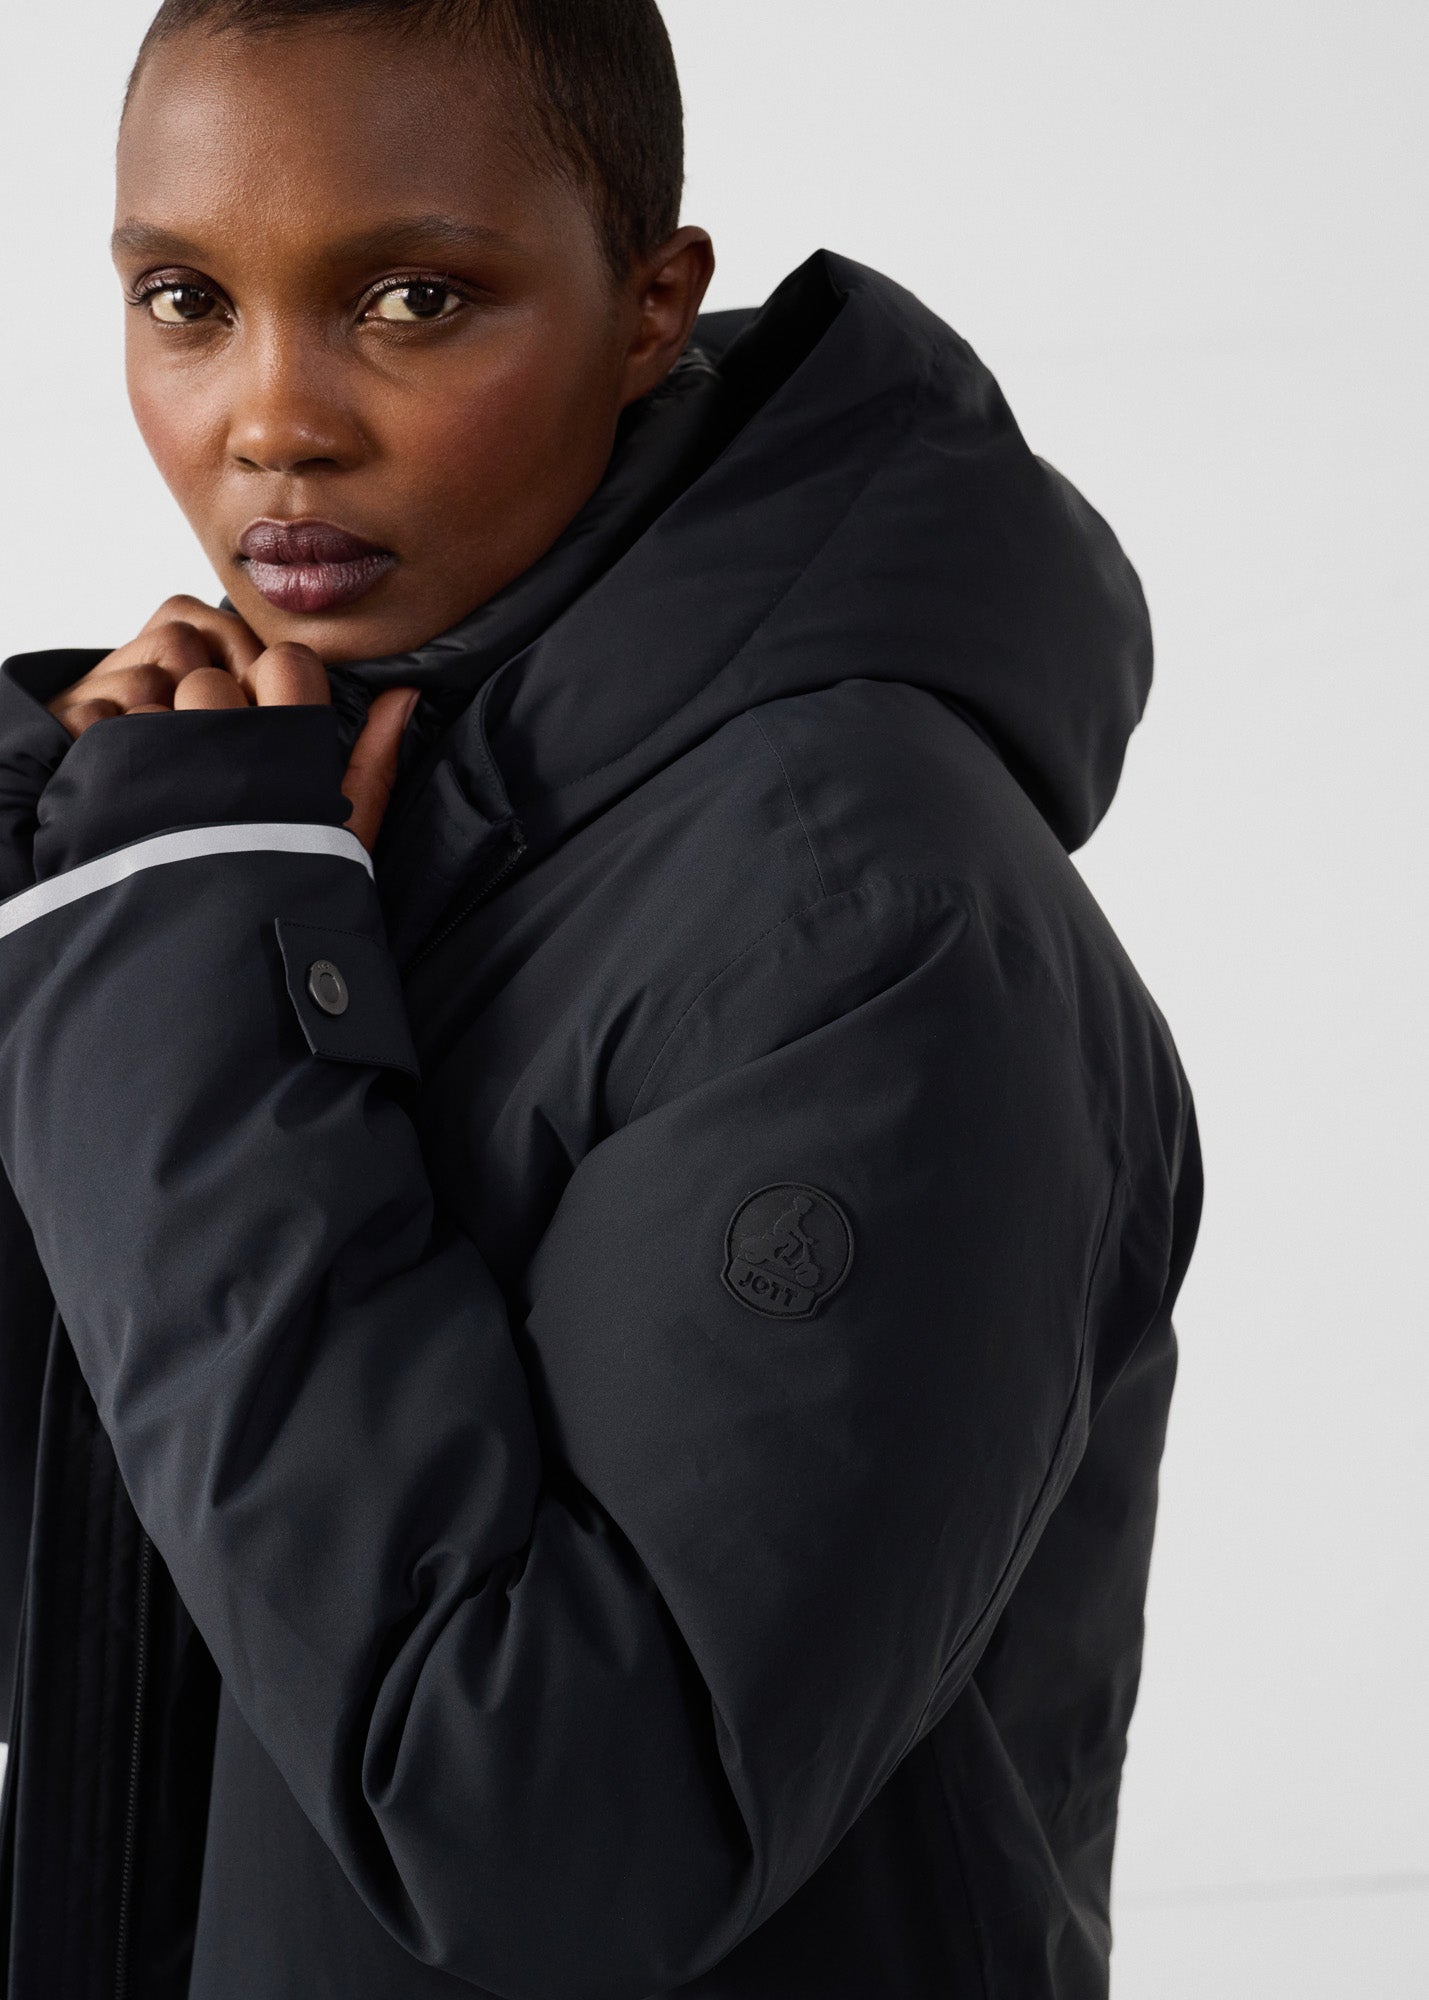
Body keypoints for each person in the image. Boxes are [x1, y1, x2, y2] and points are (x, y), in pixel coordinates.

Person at [0, 1, 1203, 1994]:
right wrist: (99, 915)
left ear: (649, 306)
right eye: (187, 299)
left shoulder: (864, 920)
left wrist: (181, 1012)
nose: (273, 418)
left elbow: (549, 1839)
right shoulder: (278, 824)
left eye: (410, 298)